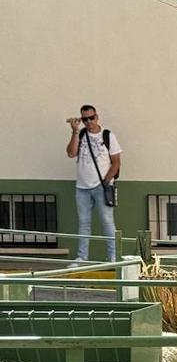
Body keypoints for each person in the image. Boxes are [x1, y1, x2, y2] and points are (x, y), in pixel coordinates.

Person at [66, 104, 121, 263]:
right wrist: (75, 131)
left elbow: (116, 162)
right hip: (82, 187)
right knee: (83, 223)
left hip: (101, 187)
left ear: (97, 117)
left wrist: (105, 181)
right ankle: (82, 257)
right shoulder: (81, 134)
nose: (89, 121)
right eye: (85, 119)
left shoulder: (107, 135)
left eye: (91, 118)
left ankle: (113, 257)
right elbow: (71, 153)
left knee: (107, 222)